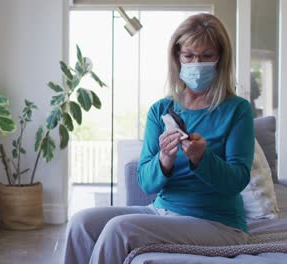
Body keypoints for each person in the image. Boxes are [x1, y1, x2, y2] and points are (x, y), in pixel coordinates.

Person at [63, 13, 254, 264]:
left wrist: (201, 159)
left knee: (118, 229)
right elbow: (146, 183)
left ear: (220, 59)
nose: (197, 63)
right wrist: (164, 158)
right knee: (81, 223)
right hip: (162, 210)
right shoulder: (161, 110)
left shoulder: (237, 109)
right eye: (189, 56)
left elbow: (237, 180)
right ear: (177, 58)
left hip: (218, 223)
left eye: (207, 56)